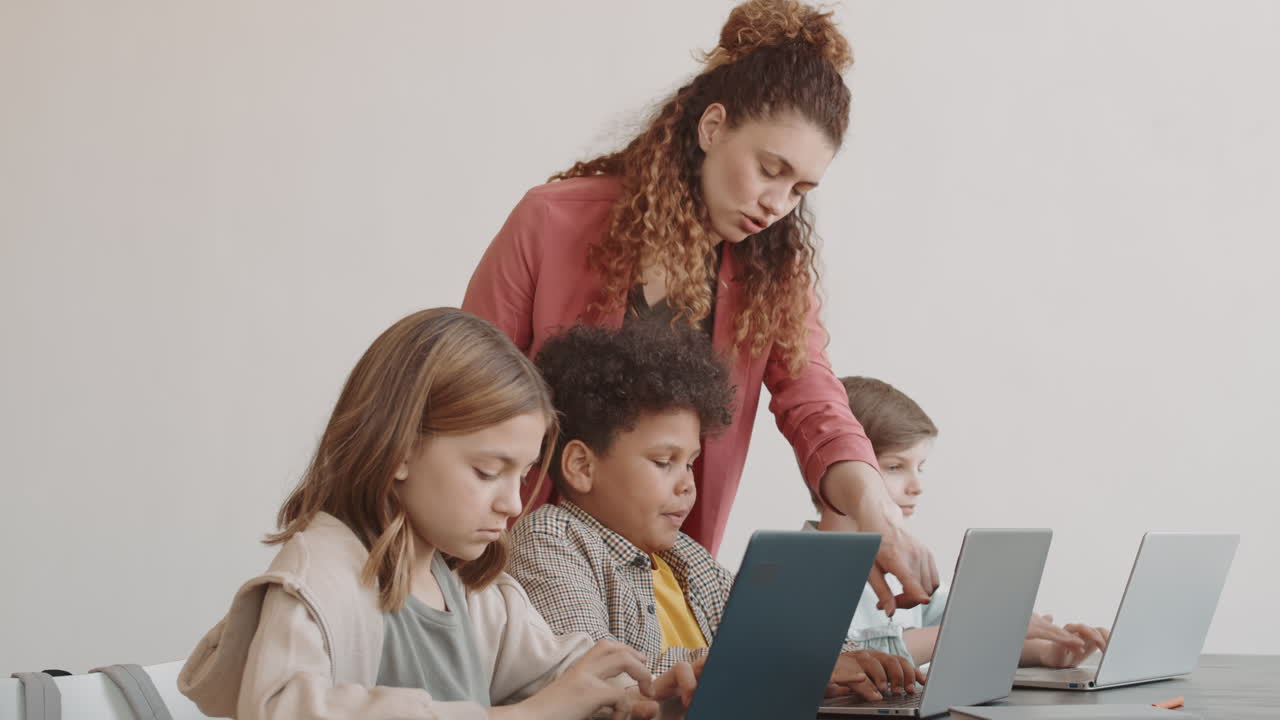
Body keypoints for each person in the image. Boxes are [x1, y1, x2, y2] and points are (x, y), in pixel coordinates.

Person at [463, 0, 936, 615]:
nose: (777, 203)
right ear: (712, 127)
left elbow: (814, 400)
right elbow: (465, 394)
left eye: (800, 189)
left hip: (663, 577)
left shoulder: (773, 272)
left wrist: (877, 516)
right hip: (519, 562)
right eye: (769, 169)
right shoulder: (552, 221)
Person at [177, 308, 695, 720]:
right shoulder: (320, 574)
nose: (513, 503)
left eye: (521, 475)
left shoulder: (471, 592)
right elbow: (282, 712)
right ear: (400, 451)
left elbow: (563, 680)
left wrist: (652, 699)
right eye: (488, 471)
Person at [510, 322, 927, 703]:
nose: (686, 483)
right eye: (663, 461)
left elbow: (777, 633)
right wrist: (789, 665)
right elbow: (595, 677)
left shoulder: (686, 559)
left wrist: (849, 659)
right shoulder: (551, 538)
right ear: (582, 466)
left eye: (690, 462)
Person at [810, 376, 1110, 668]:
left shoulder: (901, 565)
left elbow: (960, 626)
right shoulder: (802, 573)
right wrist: (979, 627)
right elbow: (837, 661)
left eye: (920, 468)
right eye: (894, 467)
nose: (917, 485)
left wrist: (1047, 650)